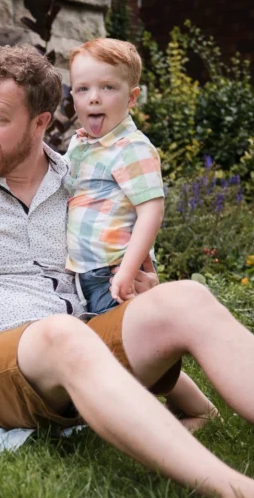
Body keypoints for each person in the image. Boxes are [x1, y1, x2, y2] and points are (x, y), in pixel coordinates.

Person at [0, 43, 254, 498]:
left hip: (81, 346)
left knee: (185, 297)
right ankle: (240, 492)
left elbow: (116, 249)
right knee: (61, 332)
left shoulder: (78, 179)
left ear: (40, 123)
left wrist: (140, 284)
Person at [65, 37, 217, 430]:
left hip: (111, 270)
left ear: (131, 97)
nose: (93, 99)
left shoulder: (131, 147)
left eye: (107, 88)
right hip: (85, 270)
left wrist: (127, 271)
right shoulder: (82, 144)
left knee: (129, 351)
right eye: (83, 89)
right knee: (114, 347)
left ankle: (191, 410)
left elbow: (151, 209)